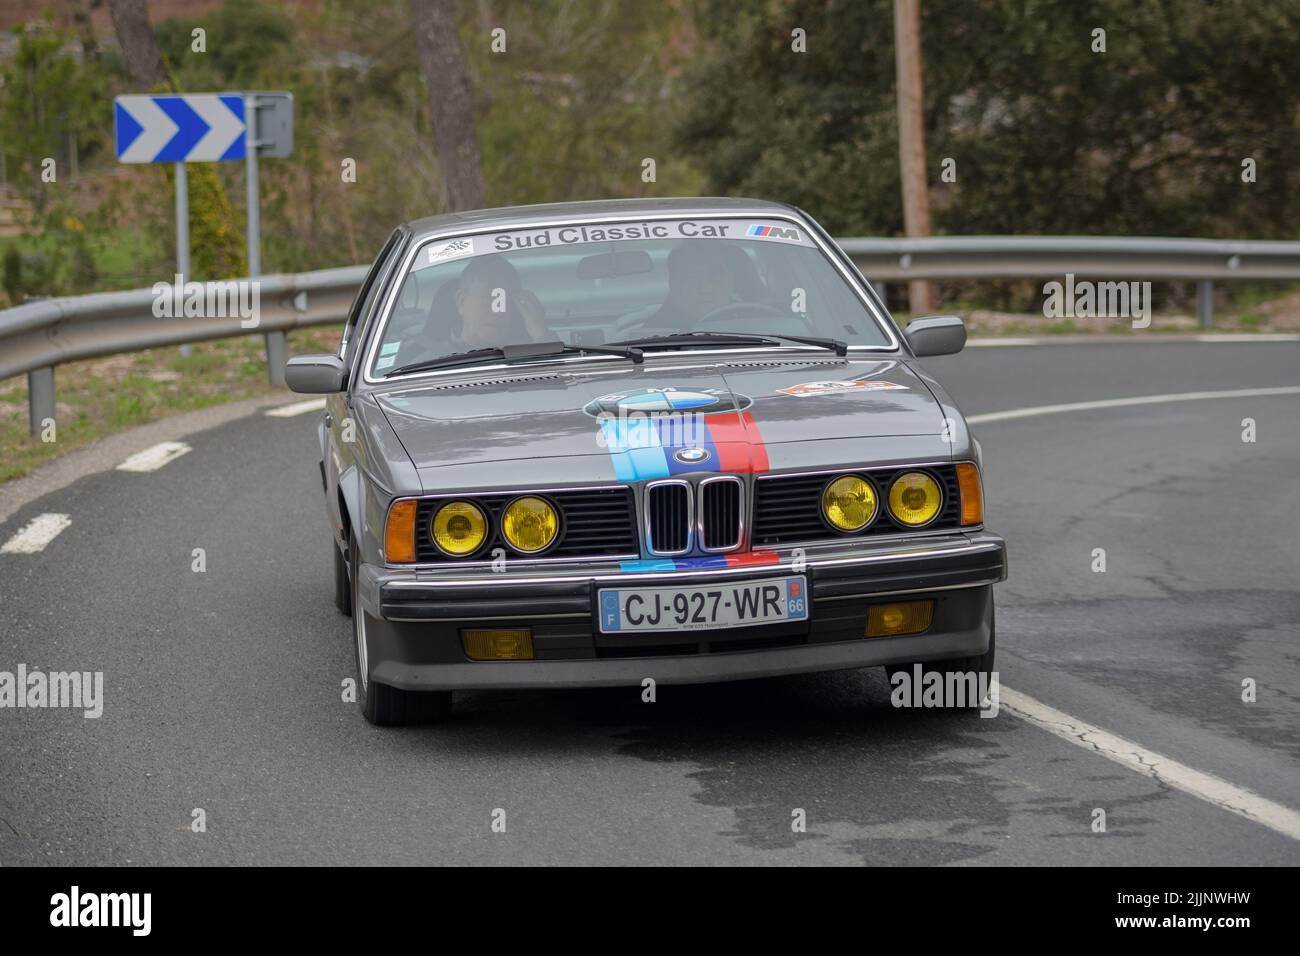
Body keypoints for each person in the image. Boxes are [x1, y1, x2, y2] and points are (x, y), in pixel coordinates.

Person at [425, 254, 550, 353]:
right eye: (491, 298)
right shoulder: (425, 365)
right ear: (461, 301)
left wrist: (541, 334)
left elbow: (557, 377)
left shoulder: (530, 359)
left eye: (508, 302)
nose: (500, 312)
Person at [640, 240, 740, 330]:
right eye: (693, 276)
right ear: (674, 282)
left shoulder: (752, 322)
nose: (705, 289)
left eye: (716, 275)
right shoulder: (652, 339)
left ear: (732, 280)